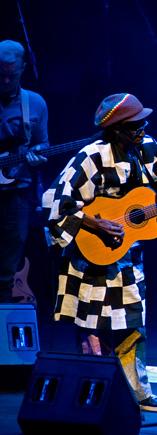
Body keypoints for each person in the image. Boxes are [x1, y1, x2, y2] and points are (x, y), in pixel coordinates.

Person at [43, 93, 157, 413]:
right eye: (137, 125)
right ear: (118, 129)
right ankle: (91, 395)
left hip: (128, 258)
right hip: (89, 258)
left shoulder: (148, 148)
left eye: (144, 123)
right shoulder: (92, 156)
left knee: (132, 325)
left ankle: (137, 391)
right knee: (92, 327)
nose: (144, 128)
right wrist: (95, 224)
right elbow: (54, 201)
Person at [0, 39, 48, 303]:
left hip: (15, 195)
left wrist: (37, 156)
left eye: (12, 75)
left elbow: (43, 143)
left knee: (7, 269)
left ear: (23, 69)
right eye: (1, 75)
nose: (6, 81)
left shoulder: (35, 103)